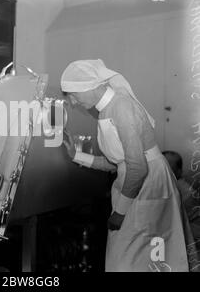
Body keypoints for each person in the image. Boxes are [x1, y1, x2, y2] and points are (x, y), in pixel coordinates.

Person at [61, 59, 197, 272]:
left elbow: (138, 167)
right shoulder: (108, 110)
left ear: (91, 86)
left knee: (133, 261)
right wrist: (76, 155)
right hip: (139, 186)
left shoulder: (121, 107)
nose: (74, 102)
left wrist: (120, 213)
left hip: (148, 185)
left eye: (73, 94)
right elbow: (118, 163)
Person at [163, 151, 200, 244]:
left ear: (179, 171)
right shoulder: (171, 185)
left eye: (169, 169)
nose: (164, 171)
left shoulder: (183, 191)